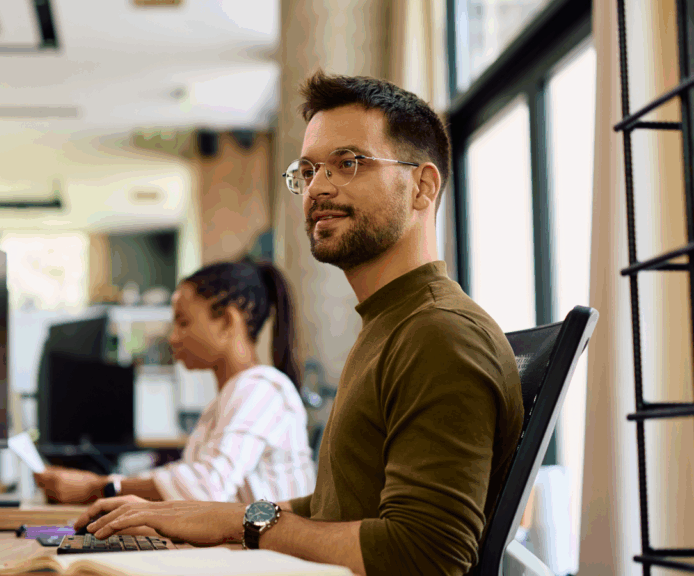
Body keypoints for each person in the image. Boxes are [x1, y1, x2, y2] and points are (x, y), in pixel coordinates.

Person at [72, 71, 525, 576]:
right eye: (308, 170)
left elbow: (425, 555)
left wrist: (240, 524)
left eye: (348, 163)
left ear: (421, 187)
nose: (319, 187)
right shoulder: (389, 325)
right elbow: (337, 512)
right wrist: (202, 514)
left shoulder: (439, 333)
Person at [34, 259, 316, 505]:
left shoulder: (261, 388)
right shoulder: (229, 399)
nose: (173, 338)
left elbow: (205, 486)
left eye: (183, 322)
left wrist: (98, 488)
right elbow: (189, 483)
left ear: (228, 322)